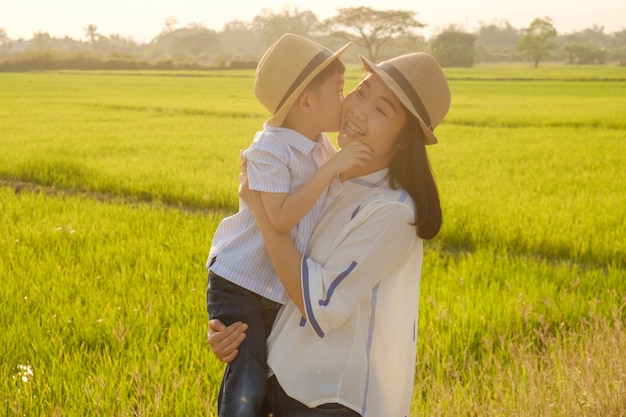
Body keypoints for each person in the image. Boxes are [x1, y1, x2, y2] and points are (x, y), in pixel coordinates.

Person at [209, 51, 451, 417]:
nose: (356, 109)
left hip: (327, 400)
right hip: (280, 382)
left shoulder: (391, 212)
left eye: (381, 110)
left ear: (404, 140)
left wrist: (263, 213)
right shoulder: (324, 173)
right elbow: (279, 268)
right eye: (360, 91)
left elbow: (318, 304)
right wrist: (236, 332)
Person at [205, 33, 373, 417]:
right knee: (247, 378)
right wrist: (331, 167)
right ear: (306, 101)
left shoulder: (322, 147)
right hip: (242, 284)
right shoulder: (269, 148)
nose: (345, 100)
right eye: (339, 90)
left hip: (282, 288)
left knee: (272, 379)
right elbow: (278, 218)